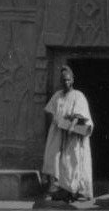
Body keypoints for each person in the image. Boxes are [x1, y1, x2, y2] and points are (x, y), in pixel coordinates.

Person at [42, 65, 94, 202]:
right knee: (55, 160)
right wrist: (56, 119)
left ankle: (76, 192)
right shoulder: (57, 95)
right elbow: (49, 110)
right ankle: (57, 190)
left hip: (73, 135)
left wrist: (72, 123)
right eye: (63, 80)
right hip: (59, 132)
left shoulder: (78, 95)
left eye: (68, 80)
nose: (65, 82)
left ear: (72, 80)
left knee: (73, 162)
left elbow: (81, 115)